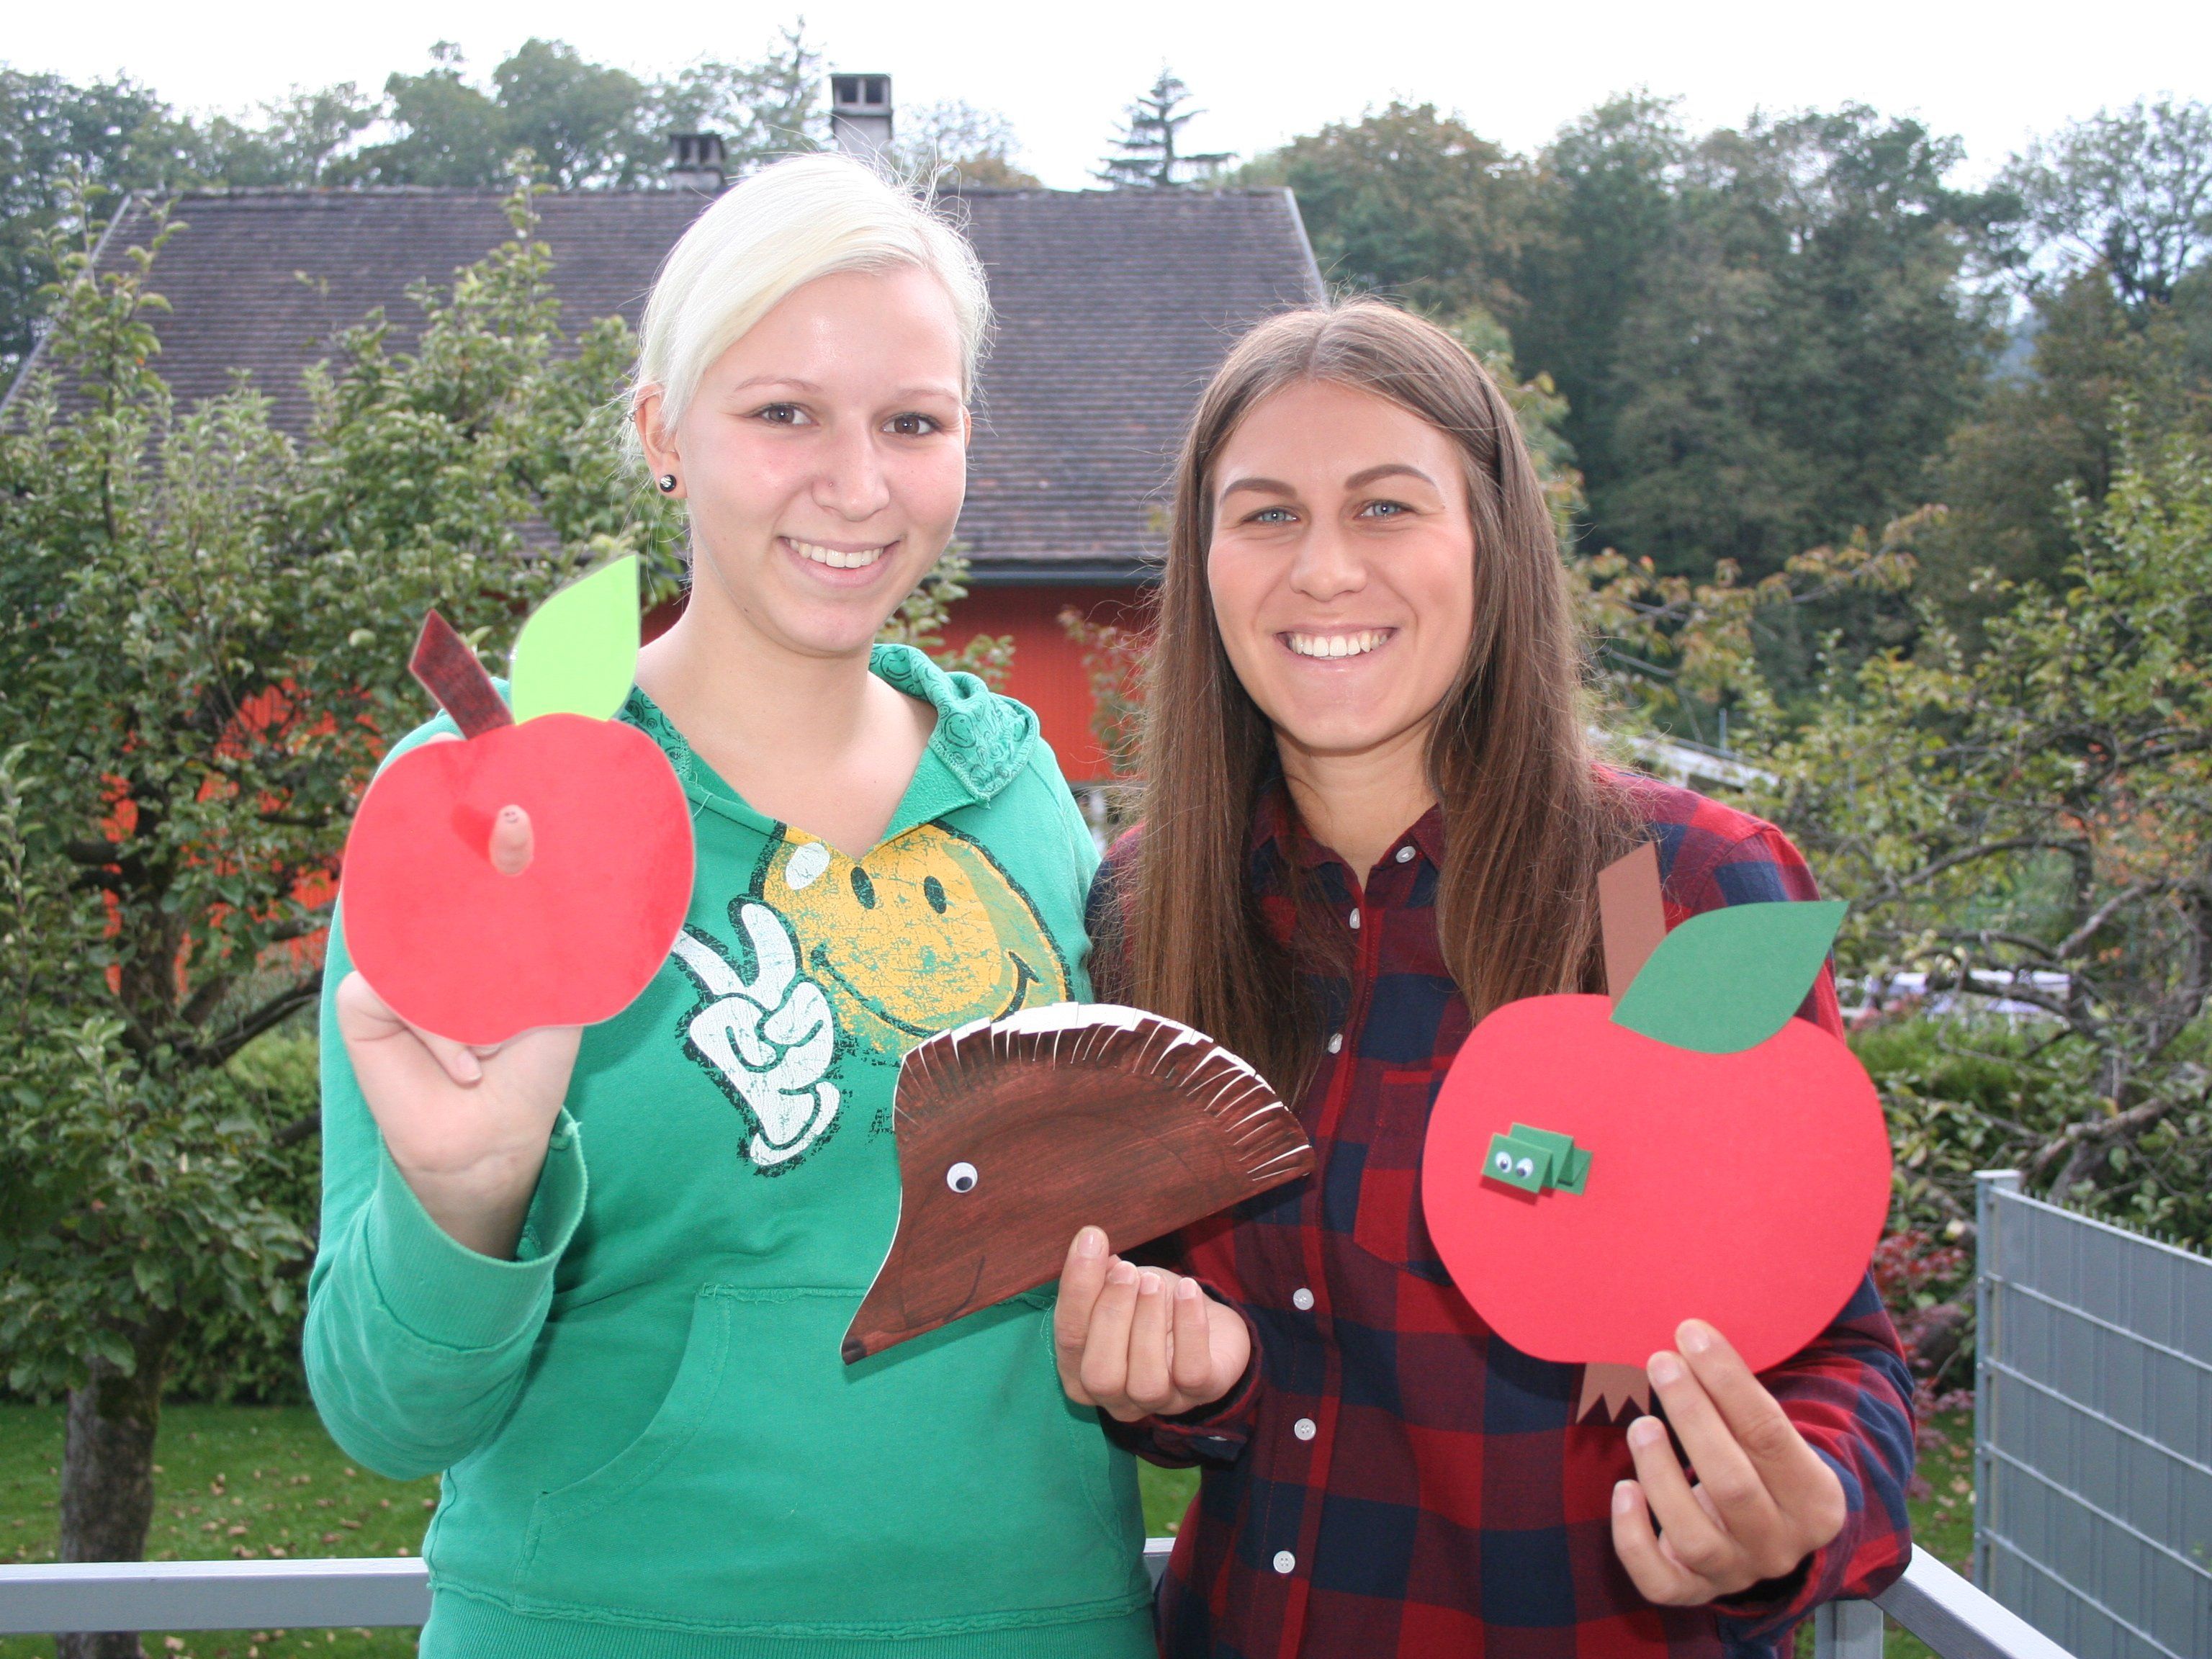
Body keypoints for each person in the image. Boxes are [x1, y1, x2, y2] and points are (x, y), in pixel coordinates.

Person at [306, 153, 1153, 1659]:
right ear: (662, 434)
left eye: (914, 421)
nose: (858, 483)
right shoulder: (484, 809)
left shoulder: (1024, 799)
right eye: (783, 413)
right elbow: (386, 1413)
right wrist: (463, 1199)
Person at [1054, 300, 1915, 1658]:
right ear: (1205, 559)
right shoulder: (1151, 903)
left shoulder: (1672, 901)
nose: (1325, 570)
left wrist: (1785, 1522)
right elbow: (1216, 1343)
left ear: (1491, 543)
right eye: (1267, 514)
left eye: (1387, 507)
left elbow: (1836, 1357)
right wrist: (1179, 1382)